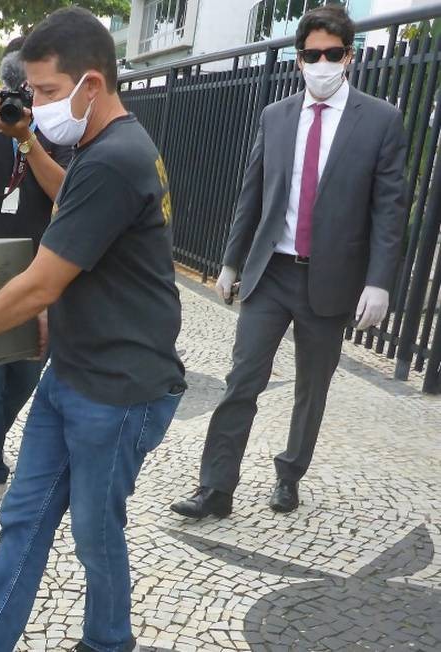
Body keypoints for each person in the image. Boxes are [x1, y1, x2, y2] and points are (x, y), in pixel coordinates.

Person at [0, 8, 185, 651]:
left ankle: (107, 643)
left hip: (120, 390)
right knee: (24, 519)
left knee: (95, 537)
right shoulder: (111, 148)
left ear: (90, 85)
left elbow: (42, 283)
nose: (36, 103)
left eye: (45, 92)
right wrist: (27, 142)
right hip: (74, 374)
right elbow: (73, 195)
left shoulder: (115, 158)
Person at [170, 5, 407, 520]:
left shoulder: (381, 120)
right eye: (311, 55)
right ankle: (216, 489)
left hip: (331, 280)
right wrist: (231, 263)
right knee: (242, 381)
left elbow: (390, 209)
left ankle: (289, 473)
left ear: (349, 56)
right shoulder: (274, 116)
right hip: (271, 273)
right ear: (299, 58)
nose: (321, 64)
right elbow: (251, 195)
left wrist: (379, 282)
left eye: (332, 54)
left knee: (311, 389)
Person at [0, 37, 74, 516]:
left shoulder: (54, 127)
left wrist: (27, 133)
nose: (20, 100)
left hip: (37, 263)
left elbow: (66, 200)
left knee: (26, 373)